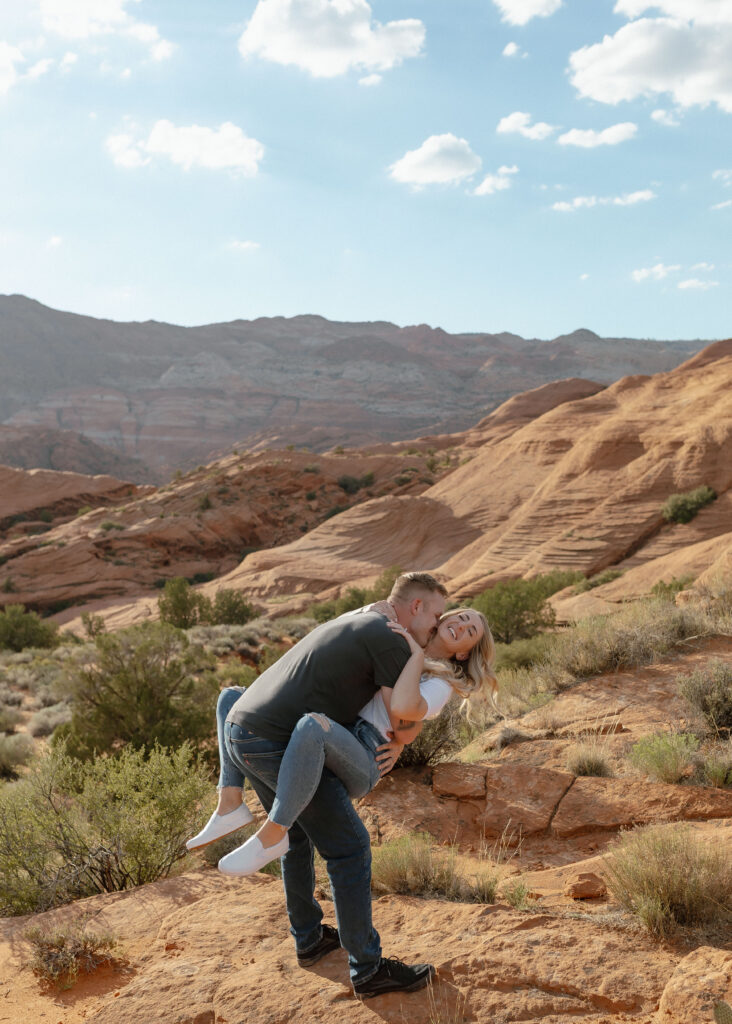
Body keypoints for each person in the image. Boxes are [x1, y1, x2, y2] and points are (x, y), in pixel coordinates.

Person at [186, 572, 494, 1000]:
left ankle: (365, 967)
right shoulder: (399, 640)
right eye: (456, 615)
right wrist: (404, 647)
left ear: (465, 652)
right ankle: (310, 937)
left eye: (469, 629)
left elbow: (403, 723)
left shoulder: (439, 678)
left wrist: (409, 667)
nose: (456, 622)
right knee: (239, 708)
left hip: (357, 749)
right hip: (335, 738)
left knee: (345, 842)